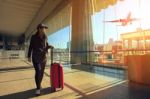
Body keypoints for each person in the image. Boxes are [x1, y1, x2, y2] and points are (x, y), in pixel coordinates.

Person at [28, 23, 53, 95]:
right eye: (42, 28)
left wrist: (50, 46)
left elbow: (46, 45)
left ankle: (39, 84)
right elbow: (30, 47)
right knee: (38, 71)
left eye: (44, 28)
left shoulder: (45, 37)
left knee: (41, 72)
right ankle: (38, 88)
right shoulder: (33, 37)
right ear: (39, 29)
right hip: (36, 57)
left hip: (43, 58)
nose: (44, 30)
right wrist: (29, 56)